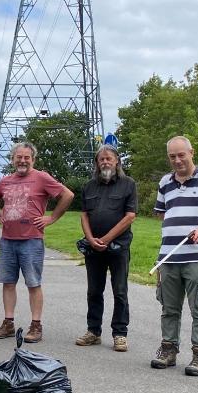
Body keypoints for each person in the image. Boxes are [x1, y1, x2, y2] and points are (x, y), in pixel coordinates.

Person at [151, 135, 198, 376]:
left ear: (191, 153)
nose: (177, 160)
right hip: (169, 257)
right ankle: (169, 350)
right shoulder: (165, 182)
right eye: (172, 156)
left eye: (181, 155)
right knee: (169, 307)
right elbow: (162, 214)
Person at [0, 141, 74, 343]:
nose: (22, 161)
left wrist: (50, 218)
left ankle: (36, 325)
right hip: (8, 240)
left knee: (33, 283)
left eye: (26, 157)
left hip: (31, 240)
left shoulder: (41, 178)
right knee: (8, 283)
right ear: (13, 159)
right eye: (19, 157)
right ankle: (8, 323)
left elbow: (67, 195)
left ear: (33, 159)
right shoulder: (6, 181)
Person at [75, 146, 138, 352]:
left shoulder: (128, 185)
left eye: (109, 158)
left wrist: (106, 238)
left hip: (119, 247)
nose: (105, 162)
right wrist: (91, 239)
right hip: (94, 248)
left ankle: (120, 333)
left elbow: (129, 216)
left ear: (117, 161)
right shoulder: (89, 186)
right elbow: (84, 214)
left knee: (120, 291)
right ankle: (93, 331)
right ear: (96, 163)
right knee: (94, 291)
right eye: (101, 159)